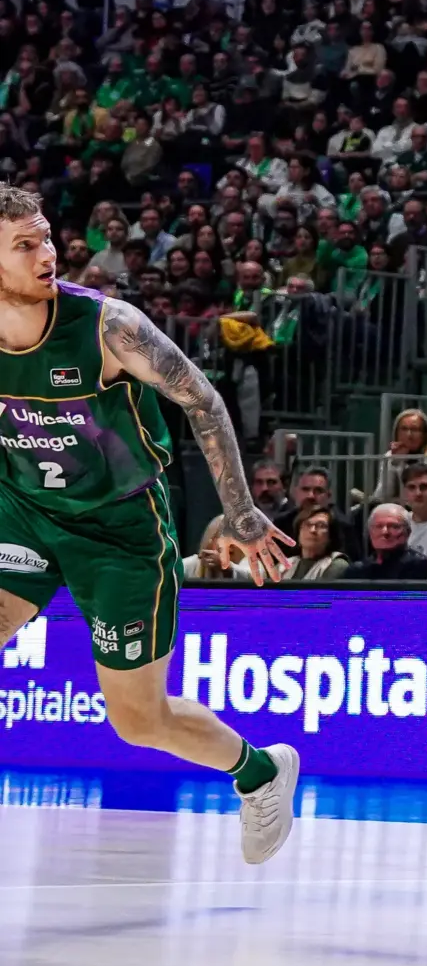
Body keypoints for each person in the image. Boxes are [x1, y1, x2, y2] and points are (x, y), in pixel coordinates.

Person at [0, 187, 300, 862]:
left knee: (138, 720)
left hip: (120, 527)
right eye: (25, 245)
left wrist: (242, 509)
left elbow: (202, 399)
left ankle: (260, 773)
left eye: (46, 238)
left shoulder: (107, 326)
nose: (47, 253)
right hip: (22, 509)